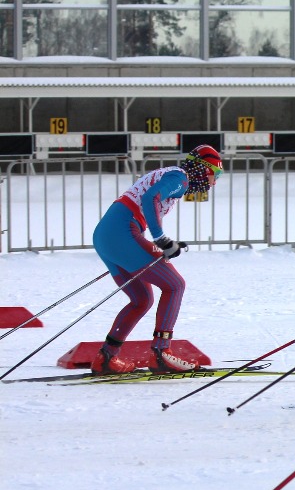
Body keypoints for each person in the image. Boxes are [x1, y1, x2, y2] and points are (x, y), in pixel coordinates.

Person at [88, 145, 223, 374]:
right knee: (175, 285)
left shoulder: (173, 175)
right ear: (202, 169)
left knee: (141, 299)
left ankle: (106, 357)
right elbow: (151, 197)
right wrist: (162, 240)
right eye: (215, 174)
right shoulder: (181, 178)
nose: (214, 182)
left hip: (107, 235)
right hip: (123, 231)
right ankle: (161, 353)